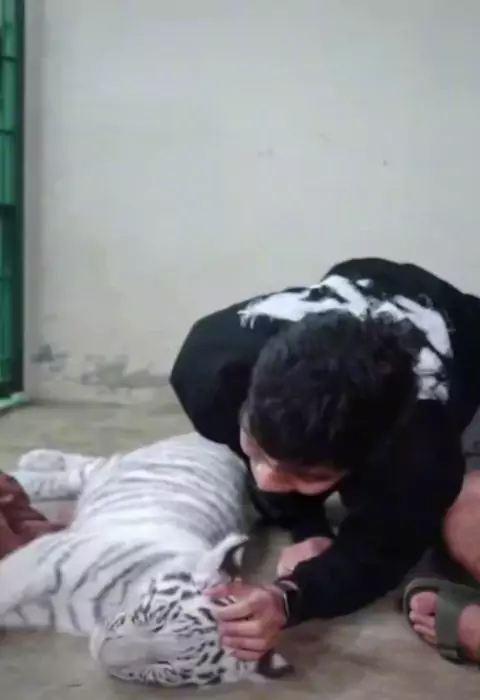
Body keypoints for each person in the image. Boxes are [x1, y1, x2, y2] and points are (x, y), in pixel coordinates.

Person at [170, 257, 480, 665]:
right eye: (256, 448)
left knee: (466, 525)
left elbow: (379, 553)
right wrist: (307, 528)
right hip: (370, 298)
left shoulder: (420, 456)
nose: (263, 480)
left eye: (307, 475)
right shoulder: (208, 367)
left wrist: (290, 599)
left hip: (470, 360)